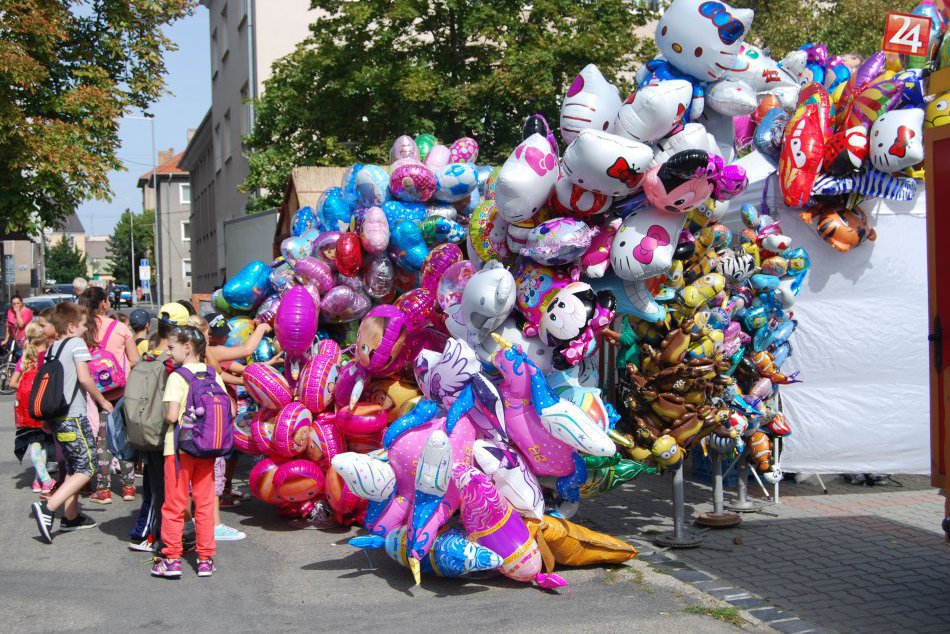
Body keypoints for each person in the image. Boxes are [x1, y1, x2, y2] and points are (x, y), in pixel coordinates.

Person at [31, 303, 115, 543]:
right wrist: (102, 402)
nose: (86, 327)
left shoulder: (52, 348)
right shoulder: (76, 345)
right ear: (71, 326)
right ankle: (50, 507)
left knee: (74, 465)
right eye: (83, 324)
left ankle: (71, 516)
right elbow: (85, 379)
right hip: (73, 417)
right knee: (87, 468)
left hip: (57, 418)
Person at [187, 313, 272, 541]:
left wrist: (253, 375)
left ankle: (191, 520)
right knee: (213, 470)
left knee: (194, 473)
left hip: (194, 425)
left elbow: (226, 372)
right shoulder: (209, 353)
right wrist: (262, 328)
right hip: (211, 425)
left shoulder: (189, 360)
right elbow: (245, 350)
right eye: (207, 334)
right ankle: (213, 526)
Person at [152, 325, 224, 578]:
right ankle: (205, 559)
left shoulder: (177, 377)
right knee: (204, 504)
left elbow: (172, 415)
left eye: (171, 347)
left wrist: (164, 414)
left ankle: (172, 559)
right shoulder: (213, 374)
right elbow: (230, 411)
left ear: (187, 347)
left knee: (174, 504)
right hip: (207, 449)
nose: (168, 352)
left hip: (179, 450)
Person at [80, 286, 139, 504]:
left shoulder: (82, 328)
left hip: (92, 393)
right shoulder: (120, 328)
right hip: (119, 390)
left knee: (101, 440)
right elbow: (134, 360)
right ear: (104, 303)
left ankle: (103, 490)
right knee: (123, 437)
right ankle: (129, 488)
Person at [127, 318, 176, 553]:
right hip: (161, 432)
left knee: (152, 483)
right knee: (158, 488)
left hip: (146, 427)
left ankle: (150, 532)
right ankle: (146, 535)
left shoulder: (148, 355)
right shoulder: (169, 363)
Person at [11, 322, 54, 495]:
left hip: (25, 408)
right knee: (42, 443)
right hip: (42, 405)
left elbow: (13, 383)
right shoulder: (49, 357)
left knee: (35, 442)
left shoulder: (25, 359)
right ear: (43, 336)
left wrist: (26, 388)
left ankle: (39, 481)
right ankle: (45, 479)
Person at [2, 294, 34, 360]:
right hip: (15, 341)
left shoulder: (27, 311)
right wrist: (6, 339)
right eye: (14, 304)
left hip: (25, 340)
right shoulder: (10, 311)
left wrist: (17, 312)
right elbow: (8, 326)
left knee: (22, 359)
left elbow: (20, 325)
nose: (16, 305)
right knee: (15, 358)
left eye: (18, 303)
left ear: (21, 303)